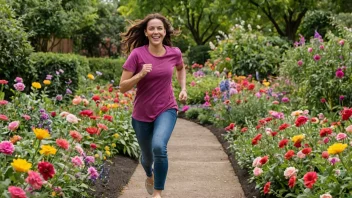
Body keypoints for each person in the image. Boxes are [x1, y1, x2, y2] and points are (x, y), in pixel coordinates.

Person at [119, 13, 187, 198]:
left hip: (166, 108)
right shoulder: (137, 54)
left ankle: (158, 193)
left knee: (159, 146)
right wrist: (140, 75)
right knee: (147, 158)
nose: (156, 31)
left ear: (165, 32)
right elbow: (122, 87)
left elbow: (181, 68)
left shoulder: (174, 53)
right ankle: (149, 174)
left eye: (159, 28)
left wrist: (183, 88)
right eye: (152, 28)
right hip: (141, 113)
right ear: (146, 32)